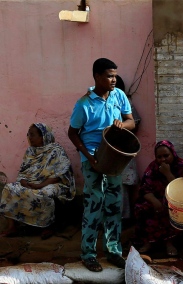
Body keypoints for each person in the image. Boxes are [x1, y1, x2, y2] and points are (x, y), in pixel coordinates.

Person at [68, 58, 135, 272]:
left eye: (115, 75)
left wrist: (121, 124)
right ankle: (88, 254)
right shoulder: (84, 104)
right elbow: (72, 133)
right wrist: (88, 157)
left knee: (114, 205)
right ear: (97, 77)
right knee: (93, 206)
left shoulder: (119, 96)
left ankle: (113, 251)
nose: (113, 79)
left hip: (114, 159)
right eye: (109, 75)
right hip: (93, 160)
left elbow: (131, 122)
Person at [0, 123, 75, 238]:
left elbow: (61, 174)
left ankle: (47, 226)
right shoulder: (30, 151)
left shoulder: (56, 150)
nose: (29, 137)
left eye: (32, 135)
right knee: (9, 188)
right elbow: (23, 171)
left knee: (45, 193)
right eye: (28, 134)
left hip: (53, 183)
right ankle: (12, 227)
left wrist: (40, 185)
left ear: (43, 136)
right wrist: (24, 181)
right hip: (32, 182)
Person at [133, 140, 183, 256]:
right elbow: (145, 188)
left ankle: (169, 243)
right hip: (156, 200)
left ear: (173, 153)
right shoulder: (153, 167)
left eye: (166, 156)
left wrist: (168, 174)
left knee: (173, 209)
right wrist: (155, 201)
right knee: (141, 207)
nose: (163, 160)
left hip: (176, 201)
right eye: (159, 157)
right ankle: (148, 241)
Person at [115, 75, 141, 221]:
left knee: (122, 185)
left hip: (123, 149)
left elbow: (135, 123)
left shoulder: (126, 103)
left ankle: (124, 218)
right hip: (106, 150)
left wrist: (120, 129)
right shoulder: (98, 103)